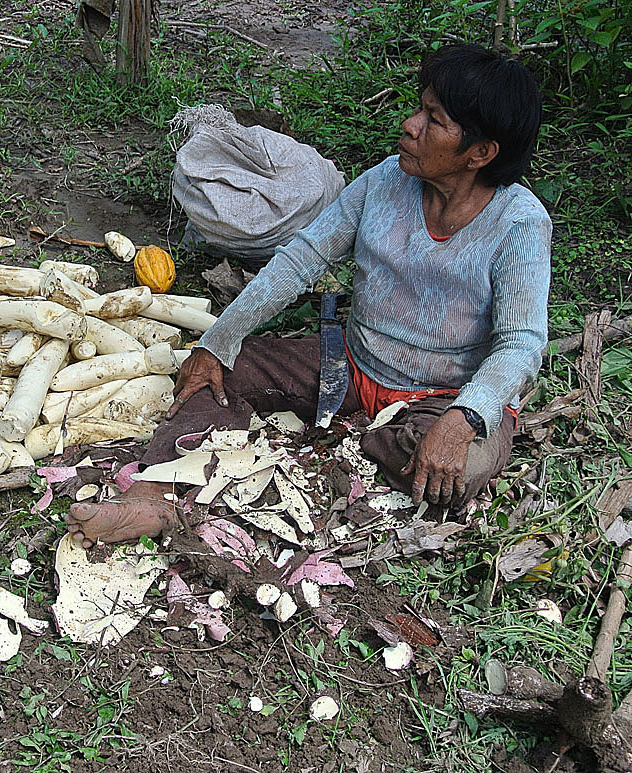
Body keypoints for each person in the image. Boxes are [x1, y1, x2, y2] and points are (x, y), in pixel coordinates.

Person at [66, 43, 551, 548]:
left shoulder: (518, 224)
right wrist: (218, 340)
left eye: (434, 119)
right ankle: (151, 496)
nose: (411, 125)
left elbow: (521, 343)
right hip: (353, 366)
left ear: (480, 153)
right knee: (220, 372)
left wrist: (465, 418)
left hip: (446, 395)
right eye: (418, 109)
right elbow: (301, 259)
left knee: (451, 469)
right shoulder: (384, 182)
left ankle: (349, 455)